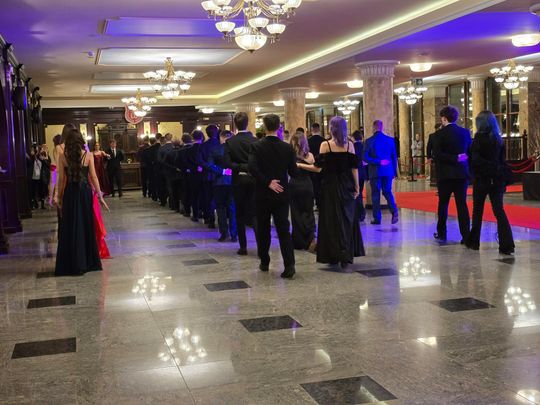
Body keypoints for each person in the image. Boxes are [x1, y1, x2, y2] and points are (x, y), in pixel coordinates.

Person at [298, 116, 365, 268]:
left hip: (330, 187)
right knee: (346, 220)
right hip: (346, 186)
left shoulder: (325, 145)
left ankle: (333, 255)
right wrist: (357, 187)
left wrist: (300, 165)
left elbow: (318, 168)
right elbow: (354, 169)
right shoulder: (350, 145)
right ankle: (345, 255)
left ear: (331, 129)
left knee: (331, 221)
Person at [249, 114, 297, 278]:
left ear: (264, 126)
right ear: (279, 127)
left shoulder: (256, 146)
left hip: (262, 193)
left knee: (263, 229)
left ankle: (264, 261)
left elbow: (252, 168)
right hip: (281, 192)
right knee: (283, 230)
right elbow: (293, 172)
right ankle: (289, 265)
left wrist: (268, 182)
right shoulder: (287, 148)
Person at [55, 128, 106, 276]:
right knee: (85, 225)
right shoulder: (88, 155)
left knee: (70, 226)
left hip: (70, 194)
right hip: (84, 194)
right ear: (81, 141)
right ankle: (87, 261)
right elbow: (94, 177)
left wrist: (59, 197)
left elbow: (61, 179)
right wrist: (100, 196)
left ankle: (72, 263)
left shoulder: (63, 157)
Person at [466, 111, 514, 255]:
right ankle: (507, 244)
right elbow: (502, 160)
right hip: (497, 178)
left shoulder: (478, 139)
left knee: (477, 210)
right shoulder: (498, 139)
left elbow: (475, 160)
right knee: (499, 210)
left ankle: (474, 242)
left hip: (482, 179)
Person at [432, 105, 471, 243]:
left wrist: (454, 158)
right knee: (462, 205)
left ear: (443, 119)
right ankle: (466, 235)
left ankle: (442, 233)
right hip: (461, 174)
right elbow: (469, 152)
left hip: (445, 175)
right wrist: (460, 158)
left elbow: (437, 155)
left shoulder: (438, 135)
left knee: (443, 204)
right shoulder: (465, 132)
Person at [224, 112, 258, 256]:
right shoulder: (255, 140)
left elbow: (227, 163)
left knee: (240, 213)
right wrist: (248, 167)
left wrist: (240, 167)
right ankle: (260, 246)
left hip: (238, 180)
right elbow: (259, 161)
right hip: (254, 179)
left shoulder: (230, 142)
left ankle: (243, 247)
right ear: (247, 122)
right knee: (256, 213)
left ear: (235, 125)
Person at [363, 120, 399, 225]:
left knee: (375, 194)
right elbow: (394, 158)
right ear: (382, 127)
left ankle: (377, 218)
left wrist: (378, 161)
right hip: (388, 171)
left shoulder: (369, 141)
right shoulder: (390, 140)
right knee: (387, 191)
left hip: (375, 171)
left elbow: (364, 157)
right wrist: (394, 172)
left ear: (373, 127)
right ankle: (394, 211)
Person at [208, 130, 237, 242]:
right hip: (232, 181)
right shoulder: (234, 150)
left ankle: (224, 233)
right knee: (232, 207)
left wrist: (222, 171)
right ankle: (234, 234)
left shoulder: (215, 150)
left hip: (219, 182)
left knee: (220, 208)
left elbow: (210, 165)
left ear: (221, 138)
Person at [289, 131, 316, 251]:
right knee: (308, 212)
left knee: (295, 213)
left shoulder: (289, 155)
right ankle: (309, 239)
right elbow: (315, 167)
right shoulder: (309, 155)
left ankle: (298, 241)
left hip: (294, 185)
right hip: (306, 185)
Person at [200, 125, 221, 228]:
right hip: (220, 175)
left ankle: (210, 219)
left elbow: (201, 161)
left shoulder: (203, 146)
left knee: (208, 198)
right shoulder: (221, 144)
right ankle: (222, 220)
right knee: (220, 198)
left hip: (207, 175)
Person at [185, 130, 205, 222]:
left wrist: (193, 168)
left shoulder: (188, 150)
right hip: (204, 174)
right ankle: (205, 214)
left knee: (194, 196)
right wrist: (201, 167)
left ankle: (195, 215)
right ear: (202, 137)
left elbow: (187, 163)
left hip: (193, 175)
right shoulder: (204, 147)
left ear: (192, 138)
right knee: (204, 195)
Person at [176, 133, 193, 217]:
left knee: (185, 192)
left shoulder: (180, 151)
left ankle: (187, 211)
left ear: (182, 140)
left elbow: (177, 162)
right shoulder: (195, 149)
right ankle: (198, 211)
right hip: (195, 174)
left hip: (184, 174)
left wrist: (183, 169)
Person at [352, 130, 367, 222]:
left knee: (356, 193)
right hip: (362, 173)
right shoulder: (364, 146)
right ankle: (361, 213)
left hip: (355, 173)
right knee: (360, 192)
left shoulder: (352, 147)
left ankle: (360, 212)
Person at [308, 123, 324, 209]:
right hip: (323, 166)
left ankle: (313, 204)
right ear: (319, 129)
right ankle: (320, 203)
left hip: (311, 166)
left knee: (313, 185)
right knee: (321, 185)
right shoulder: (324, 141)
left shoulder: (308, 141)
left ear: (312, 130)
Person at [157, 133, 174, 207]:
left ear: (165, 139)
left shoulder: (161, 148)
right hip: (175, 170)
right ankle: (173, 203)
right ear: (171, 138)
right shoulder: (175, 147)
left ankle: (163, 201)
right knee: (174, 187)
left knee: (165, 186)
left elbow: (159, 160)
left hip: (164, 170)